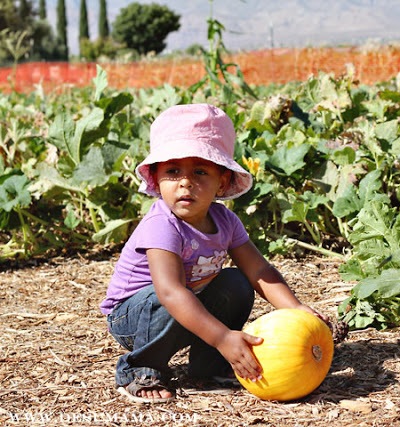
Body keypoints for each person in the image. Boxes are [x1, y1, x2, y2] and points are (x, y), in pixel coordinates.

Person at [99, 103, 328, 404]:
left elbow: (260, 271)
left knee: (237, 282)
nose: (185, 181)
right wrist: (223, 337)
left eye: (199, 171)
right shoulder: (161, 225)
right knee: (169, 300)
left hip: (185, 303)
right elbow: (169, 292)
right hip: (136, 315)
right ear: (156, 178)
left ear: (222, 180)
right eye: (172, 171)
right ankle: (139, 368)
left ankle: (209, 366)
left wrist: (295, 309)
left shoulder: (225, 221)